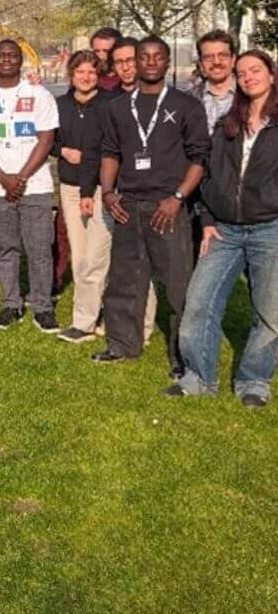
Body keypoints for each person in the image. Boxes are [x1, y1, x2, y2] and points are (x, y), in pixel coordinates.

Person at [94, 36, 209, 373]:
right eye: (145, 57)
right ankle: (122, 344)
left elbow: (199, 158)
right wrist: (108, 192)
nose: (151, 62)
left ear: (167, 60)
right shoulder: (118, 107)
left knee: (177, 284)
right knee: (124, 279)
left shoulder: (186, 105)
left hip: (167, 207)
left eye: (158, 56)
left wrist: (177, 198)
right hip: (129, 204)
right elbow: (110, 153)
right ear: (138, 61)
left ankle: (183, 355)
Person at [170, 50, 278, 405]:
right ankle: (199, 377)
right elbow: (209, 174)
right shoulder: (227, 125)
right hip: (224, 230)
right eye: (242, 72)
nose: (248, 77)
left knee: (270, 311)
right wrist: (207, 218)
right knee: (199, 303)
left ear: (271, 74)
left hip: (269, 229)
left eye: (255, 70)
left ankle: (253, 382)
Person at [0, 39, 60, 332]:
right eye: (0, 55)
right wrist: (5, 179)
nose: (6, 59)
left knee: (39, 249)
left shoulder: (39, 94)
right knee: (6, 248)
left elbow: (46, 139)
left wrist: (20, 177)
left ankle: (43, 307)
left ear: (21, 60)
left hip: (35, 184)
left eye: (12, 55)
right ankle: (11, 303)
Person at [51, 50, 121, 343]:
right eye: (81, 71)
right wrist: (61, 150)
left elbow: (110, 146)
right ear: (72, 74)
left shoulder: (109, 104)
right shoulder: (59, 105)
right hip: (69, 186)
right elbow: (48, 139)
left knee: (97, 255)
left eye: (92, 72)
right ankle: (88, 313)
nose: (86, 77)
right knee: (80, 256)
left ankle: (87, 320)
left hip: (99, 188)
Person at [191, 30, 237, 134]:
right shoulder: (189, 99)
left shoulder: (251, 97)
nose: (216, 62)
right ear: (201, 64)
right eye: (208, 57)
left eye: (223, 55)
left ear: (233, 60)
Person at [90, 27, 123, 92]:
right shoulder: (86, 78)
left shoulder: (129, 80)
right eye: (96, 51)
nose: (101, 57)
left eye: (106, 51)